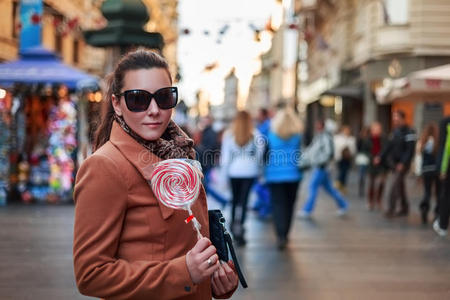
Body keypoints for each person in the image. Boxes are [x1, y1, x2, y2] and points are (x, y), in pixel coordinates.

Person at [73, 50, 238, 300]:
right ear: (117, 104)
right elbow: (91, 274)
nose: (153, 110)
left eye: (163, 97)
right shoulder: (105, 167)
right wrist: (184, 272)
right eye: (138, 99)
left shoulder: (181, 155)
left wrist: (217, 280)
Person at [221, 110, 264, 246]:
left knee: (234, 200)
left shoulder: (229, 135)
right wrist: (258, 169)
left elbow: (225, 158)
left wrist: (224, 175)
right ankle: (241, 228)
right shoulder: (256, 135)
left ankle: (234, 227)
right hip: (250, 171)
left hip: (234, 171)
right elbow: (260, 155)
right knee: (244, 201)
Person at [264, 107, 303, 250]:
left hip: (274, 175)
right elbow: (300, 154)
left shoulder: (271, 134)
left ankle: (280, 235)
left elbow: (266, 155)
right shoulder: (297, 136)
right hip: (293, 175)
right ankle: (285, 234)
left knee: (277, 205)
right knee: (290, 205)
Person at [297, 119, 349, 218]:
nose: (317, 127)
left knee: (312, 187)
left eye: (319, 125)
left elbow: (328, 153)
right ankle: (343, 205)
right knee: (329, 189)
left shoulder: (325, 137)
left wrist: (318, 161)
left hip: (322, 167)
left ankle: (307, 209)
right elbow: (312, 150)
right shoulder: (319, 136)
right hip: (320, 167)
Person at [375, 110, 416, 218]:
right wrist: (380, 156)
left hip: (403, 164)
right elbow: (388, 146)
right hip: (394, 163)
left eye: (396, 117)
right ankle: (404, 207)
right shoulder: (395, 132)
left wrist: (403, 163)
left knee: (394, 184)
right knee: (400, 185)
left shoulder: (409, 132)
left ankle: (391, 209)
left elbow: (410, 150)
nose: (394, 119)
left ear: (402, 118)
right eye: (394, 117)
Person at [417, 122, 441, 224]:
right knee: (438, 192)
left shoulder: (422, 142)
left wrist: (418, 173)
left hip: (426, 170)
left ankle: (424, 209)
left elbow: (418, 158)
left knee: (427, 191)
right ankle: (437, 212)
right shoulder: (438, 142)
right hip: (437, 170)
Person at [433, 116, 450, 237]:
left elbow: (445, 148)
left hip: (448, 167)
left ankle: (443, 225)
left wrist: (442, 169)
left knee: (446, 196)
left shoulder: (446, 123)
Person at [366, 122, 388, 211]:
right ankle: (371, 201)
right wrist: (373, 158)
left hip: (382, 163)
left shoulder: (384, 139)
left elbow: (386, 149)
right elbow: (366, 151)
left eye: (378, 129)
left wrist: (380, 158)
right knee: (372, 183)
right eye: (375, 129)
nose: (377, 131)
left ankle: (379, 200)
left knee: (381, 183)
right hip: (372, 164)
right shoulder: (368, 140)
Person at [333, 125, 356, 194]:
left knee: (345, 172)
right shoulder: (338, 138)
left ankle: (342, 185)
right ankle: (339, 182)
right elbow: (336, 147)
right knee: (341, 171)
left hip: (347, 158)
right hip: (340, 157)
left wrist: (350, 153)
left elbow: (353, 149)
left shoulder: (352, 139)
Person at [355, 126, 371, 198]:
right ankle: (361, 188)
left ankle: (365, 188)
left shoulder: (369, 139)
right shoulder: (360, 139)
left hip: (367, 157)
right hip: (362, 158)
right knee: (361, 174)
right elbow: (358, 148)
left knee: (365, 174)